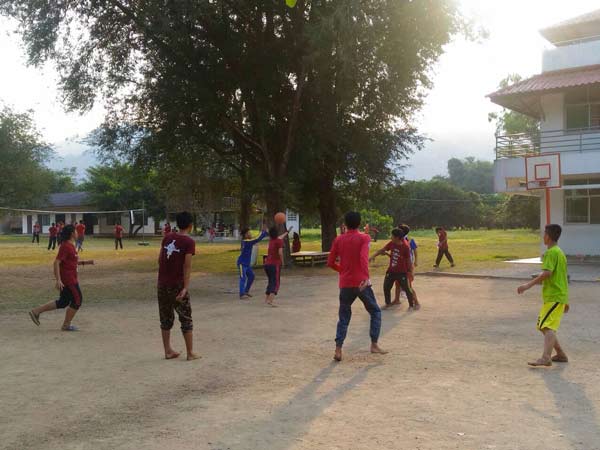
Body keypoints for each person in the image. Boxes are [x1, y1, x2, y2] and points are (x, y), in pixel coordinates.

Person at [327, 211, 387, 362]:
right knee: (375, 311)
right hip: (361, 281)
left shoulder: (339, 239)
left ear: (345, 224)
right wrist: (365, 277)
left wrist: (342, 271)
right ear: (359, 223)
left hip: (345, 283)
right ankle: (374, 344)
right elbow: (363, 258)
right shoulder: (364, 238)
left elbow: (330, 262)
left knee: (344, 316)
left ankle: (338, 349)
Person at [517, 224, 569, 367]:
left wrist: (527, 285)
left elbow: (547, 273)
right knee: (544, 326)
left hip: (555, 296)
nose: (543, 237)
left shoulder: (551, 253)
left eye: (544, 234)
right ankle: (560, 354)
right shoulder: (559, 252)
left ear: (549, 236)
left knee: (547, 327)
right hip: (557, 296)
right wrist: (565, 300)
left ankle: (546, 357)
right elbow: (561, 276)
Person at [157, 211, 199, 361]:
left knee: (165, 317)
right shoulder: (189, 242)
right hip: (177, 285)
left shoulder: (167, 238)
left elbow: (159, 260)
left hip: (162, 284)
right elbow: (187, 266)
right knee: (185, 317)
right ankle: (190, 353)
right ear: (190, 225)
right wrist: (185, 287)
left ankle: (168, 350)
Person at [28, 225, 87, 331]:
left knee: (63, 302)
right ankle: (66, 325)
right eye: (75, 231)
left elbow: (70, 262)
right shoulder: (66, 246)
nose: (77, 233)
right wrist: (58, 280)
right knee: (77, 300)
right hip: (69, 280)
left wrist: (85, 262)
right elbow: (56, 263)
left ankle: (36, 311)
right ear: (72, 234)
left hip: (70, 278)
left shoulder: (70, 245)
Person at [370, 228, 419, 310]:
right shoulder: (392, 243)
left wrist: (410, 272)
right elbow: (382, 250)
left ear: (397, 237)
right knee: (386, 287)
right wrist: (373, 256)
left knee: (407, 289)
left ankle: (411, 305)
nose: (390, 237)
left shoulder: (405, 246)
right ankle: (388, 304)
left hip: (402, 272)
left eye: (392, 236)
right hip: (391, 271)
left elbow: (408, 261)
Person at [263, 226, 292, 307]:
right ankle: (271, 301)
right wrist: (283, 262)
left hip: (267, 264)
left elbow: (281, 236)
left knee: (271, 281)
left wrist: (287, 232)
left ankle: (267, 299)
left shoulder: (271, 240)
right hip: (274, 264)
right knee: (276, 283)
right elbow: (280, 253)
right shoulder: (279, 241)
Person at [237, 225, 268, 299]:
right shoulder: (246, 241)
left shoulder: (248, 241)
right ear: (245, 235)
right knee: (243, 278)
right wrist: (264, 232)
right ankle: (242, 294)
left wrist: (264, 233)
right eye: (249, 233)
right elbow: (257, 239)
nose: (250, 234)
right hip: (242, 263)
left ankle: (246, 291)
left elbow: (255, 239)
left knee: (251, 276)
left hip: (247, 264)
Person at [394, 224, 419, 304]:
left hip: (407, 265)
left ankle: (415, 301)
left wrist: (416, 261)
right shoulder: (397, 240)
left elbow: (415, 251)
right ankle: (397, 299)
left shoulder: (410, 240)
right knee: (397, 283)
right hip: (400, 264)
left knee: (408, 285)